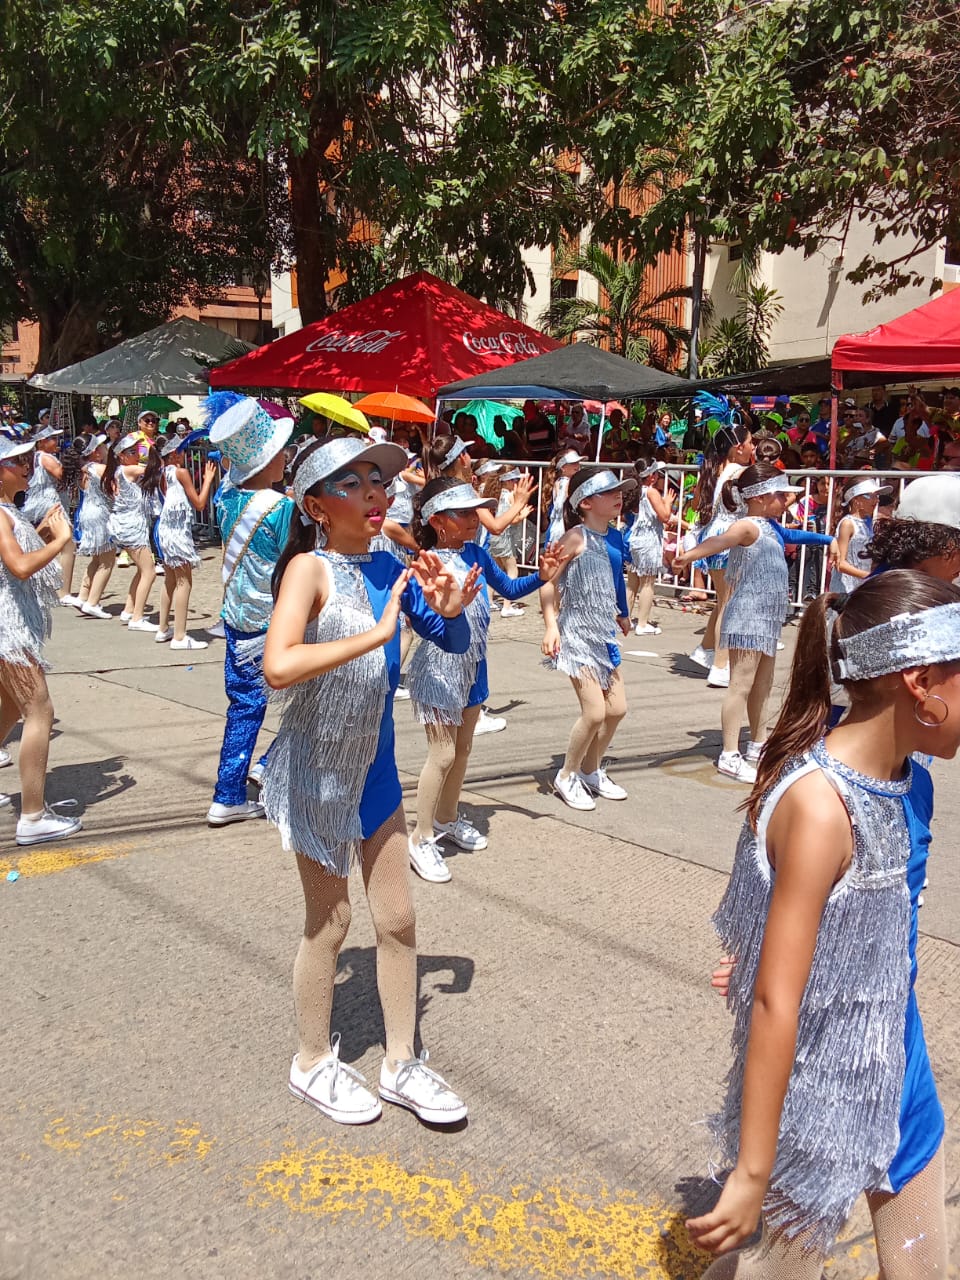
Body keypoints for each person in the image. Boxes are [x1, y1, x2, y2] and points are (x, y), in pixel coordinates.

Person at [689, 571, 955, 1276]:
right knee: (775, 1271)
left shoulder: (912, 781)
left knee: (923, 1268)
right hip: (816, 1086)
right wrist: (752, 1171)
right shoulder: (819, 806)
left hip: (899, 1061)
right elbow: (777, 1000)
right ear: (921, 683)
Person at [261, 435, 474, 1126]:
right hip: (318, 770)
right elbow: (278, 665)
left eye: (378, 481)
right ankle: (310, 1060)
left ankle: (401, 1061)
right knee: (331, 923)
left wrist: (450, 612)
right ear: (316, 506)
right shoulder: (308, 570)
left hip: (375, 768)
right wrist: (375, 637)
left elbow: (449, 641)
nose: (375, 493)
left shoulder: (391, 565)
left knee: (399, 918)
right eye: (351, 484)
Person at [406, 477, 567, 881]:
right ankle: (420, 837)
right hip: (439, 669)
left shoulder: (476, 551)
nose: (474, 519)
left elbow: (509, 587)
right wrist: (449, 608)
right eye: (463, 513)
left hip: (475, 666)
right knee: (442, 755)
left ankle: (446, 818)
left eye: (475, 511)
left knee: (462, 751)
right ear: (437, 520)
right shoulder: (426, 563)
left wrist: (542, 576)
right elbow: (423, 623)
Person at [673, 464, 836, 783]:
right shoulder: (747, 526)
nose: (786, 501)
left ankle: (759, 745)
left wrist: (829, 538)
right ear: (760, 497)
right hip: (747, 616)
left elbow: (795, 535)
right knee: (741, 685)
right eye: (781, 495)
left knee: (763, 685)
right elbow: (721, 541)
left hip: (766, 618)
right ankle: (729, 754)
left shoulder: (772, 527)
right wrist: (689, 556)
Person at [206, 397, 295, 826]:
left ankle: (229, 790)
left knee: (243, 706)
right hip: (275, 621)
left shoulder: (226, 497)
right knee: (309, 699)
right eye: (279, 451)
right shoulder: (280, 508)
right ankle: (268, 765)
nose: (286, 456)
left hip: (236, 617)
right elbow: (295, 561)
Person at [0, 436, 82, 845]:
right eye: (16, 461)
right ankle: (32, 816)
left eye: (27, 458)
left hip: (10, 626)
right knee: (40, 711)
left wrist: (42, 532)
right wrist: (59, 541)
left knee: (10, 708)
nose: (26, 466)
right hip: (8, 630)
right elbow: (17, 566)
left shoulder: (7, 510)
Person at [540, 468, 635, 812]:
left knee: (617, 709)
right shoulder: (574, 538)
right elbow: (548, 583)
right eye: (609, 492)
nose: (618, 496)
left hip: (603, 634)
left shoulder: (616, 536)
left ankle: (591, 770)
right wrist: (551, 626)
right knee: (594, 712)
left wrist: (623, 613)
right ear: (585, 503)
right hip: (576, 634)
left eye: (619, 491)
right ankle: (567, 774)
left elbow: (617, 577)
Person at [690, 425, 756, 687]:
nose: (754, 447)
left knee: (723, 601)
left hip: (716, 536)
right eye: (751, 442)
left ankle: (705, 649)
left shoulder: (715, 469)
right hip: (729, 537)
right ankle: (720, 665)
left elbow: (696, 503)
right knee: (730, 605)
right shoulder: (739, 472)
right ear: (738, 447)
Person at [154, 437, 218, 650]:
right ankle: (180, 636)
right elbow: (199, 503)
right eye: (181, 451)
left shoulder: (162, 472)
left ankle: (163, 628)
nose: (184, 454)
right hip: (177, 534)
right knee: (184, 582)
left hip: (166, 530)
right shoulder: (180, 472)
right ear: (173, 454)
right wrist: (208, 479)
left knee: (170, 580)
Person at [103, 433, 161, 630]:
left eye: (137, 451)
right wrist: (153, 450)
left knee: (141, 570)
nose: (137, 455)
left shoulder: (121, 471)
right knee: (149, 572)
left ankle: (129, 610)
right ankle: (137, 618)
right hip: (131, 527)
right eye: (132, 452)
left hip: (130, 525)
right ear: (121, 455)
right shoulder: (127, 469)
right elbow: (153, 469)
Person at [626, 460, 672, 636]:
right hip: (648, 539)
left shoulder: (636, 491)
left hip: (635, 537)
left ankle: (625, 618)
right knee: (647, 582)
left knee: (632, 583)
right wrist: (667, 502)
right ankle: (642, 623)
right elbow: (665, 516)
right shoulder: (651, 492)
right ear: (651, 476)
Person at [74, 433, 116, 618]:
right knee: (107, 560)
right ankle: (93, 601)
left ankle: (83, 596)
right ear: (94, 452)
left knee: (97, 559)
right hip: (100, 514)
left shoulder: (83, 469)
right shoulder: (99, 468)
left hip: (88, 512)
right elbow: (114, 492)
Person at [828, 477, 889, 592]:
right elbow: (840, 563)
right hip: (845, 589)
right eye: (871, 496)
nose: (876, 500)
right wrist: (869, 576)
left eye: (877, 496)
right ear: (856, 500)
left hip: (862, 587)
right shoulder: (847, 524)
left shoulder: (869, 523)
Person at [543, 448, 585, 547]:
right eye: (573, 463)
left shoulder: (559, 482)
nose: (577, 466)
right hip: (563, 530)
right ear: (563, 467)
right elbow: (560, 506)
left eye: (578, 462)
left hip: (560, 529)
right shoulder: (565, 483)